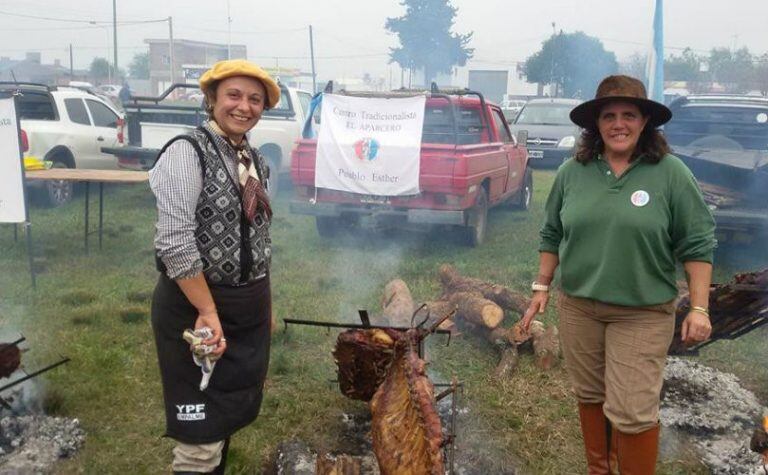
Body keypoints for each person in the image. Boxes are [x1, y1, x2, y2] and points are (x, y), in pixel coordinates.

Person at [521, 75, 716, 474]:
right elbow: (552, 232)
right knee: (590, 394)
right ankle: (600, 468)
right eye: (608, 116)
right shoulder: (572, 172)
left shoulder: (670, 173)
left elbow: (697, 244)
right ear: (596, 124)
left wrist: (699, 307)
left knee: (633, 410)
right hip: (579, 308)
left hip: (643, 311)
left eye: (629, 114)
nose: (618, 124)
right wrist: (542, 285)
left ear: (645, 121)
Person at [148, 59, 279, 474]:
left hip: (248, 309)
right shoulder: (187, 153)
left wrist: (265, 304)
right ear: (211, 100)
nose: (244, 107)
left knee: (227, 417)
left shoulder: (256, 159)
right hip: (196, 306)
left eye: (255, 99)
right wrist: (207, 310)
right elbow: (174, 242)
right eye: (234, 96)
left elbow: (258, 238)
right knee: (199, 433)